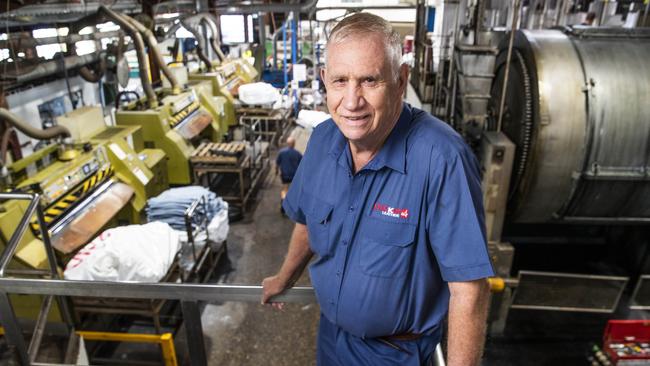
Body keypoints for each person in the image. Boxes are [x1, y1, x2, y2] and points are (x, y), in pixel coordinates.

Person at [261, 13, 493, 366]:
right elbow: (309, 222)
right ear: (324, 80)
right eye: (340, 81)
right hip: (332, 339)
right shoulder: (324, 141)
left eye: (369, 80)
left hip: (396, 354)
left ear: (401, 80)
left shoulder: (441, 159)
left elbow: (469, 291)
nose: (352, 101)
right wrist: (284, 276)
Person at [275, 136, 302, 211]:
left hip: (285, 175)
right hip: (294, 176)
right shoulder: (297, 154)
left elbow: (277, 163)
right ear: (294, 144)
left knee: (285, 189)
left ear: (287, 144)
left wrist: (276, 171)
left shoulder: (282, 152)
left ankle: (283, 204)